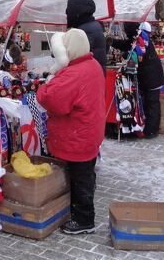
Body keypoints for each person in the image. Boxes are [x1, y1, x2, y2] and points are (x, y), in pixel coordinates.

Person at [37, 28, 104, 235]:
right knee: (85, 174)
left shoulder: (74, 73)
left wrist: (45, 85)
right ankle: (80, 209)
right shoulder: (92, 64)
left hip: (77, 134)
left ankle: (84, 219)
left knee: (80, 177)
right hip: (89, 131)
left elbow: (52, 100)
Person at [134, 22, 164, 138]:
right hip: (153, 77)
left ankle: (152, 130)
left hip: (151, 78)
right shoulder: (146, 40)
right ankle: (152, 128)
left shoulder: (142, 41)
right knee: (152, 103)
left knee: (152, 104)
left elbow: (139, 56)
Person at [65, 0, 106, 73]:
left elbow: (73, 53)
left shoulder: (86, 30)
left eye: (70, 12)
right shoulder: (91, 25)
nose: (67, 15)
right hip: (94, 74)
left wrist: (58, 47)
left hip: (90, 75)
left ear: (78, 13)